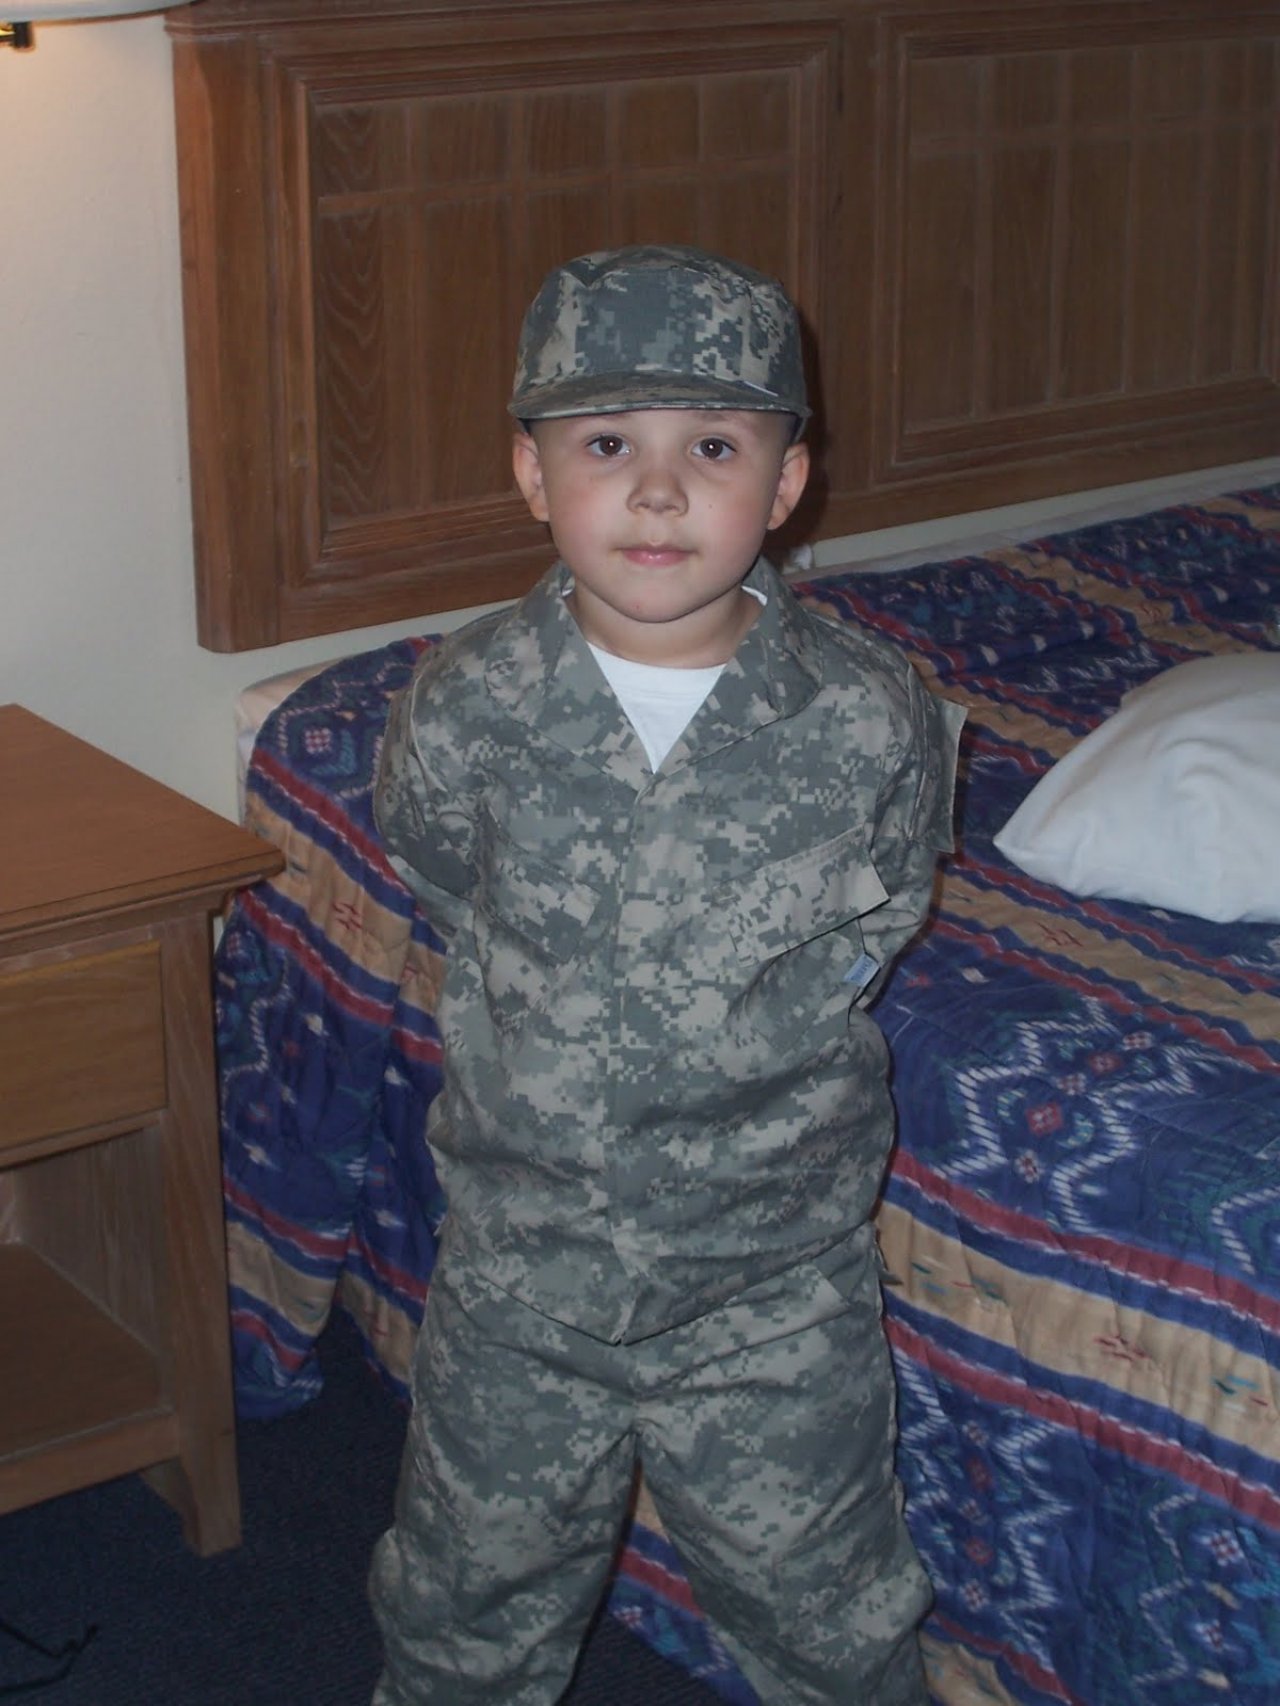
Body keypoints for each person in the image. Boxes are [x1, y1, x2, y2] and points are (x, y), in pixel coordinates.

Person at [369, 243, 964, 1706]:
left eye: (711, 447)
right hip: (523, 1278)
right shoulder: (466, 703)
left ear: (786, 481)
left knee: (834, 1622)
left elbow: (883, 906)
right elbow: (443, 874)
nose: (655, 492)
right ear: (531, 473)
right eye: (605, 445)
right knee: (460, 1611)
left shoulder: (869, 713)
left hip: (772, 1285)